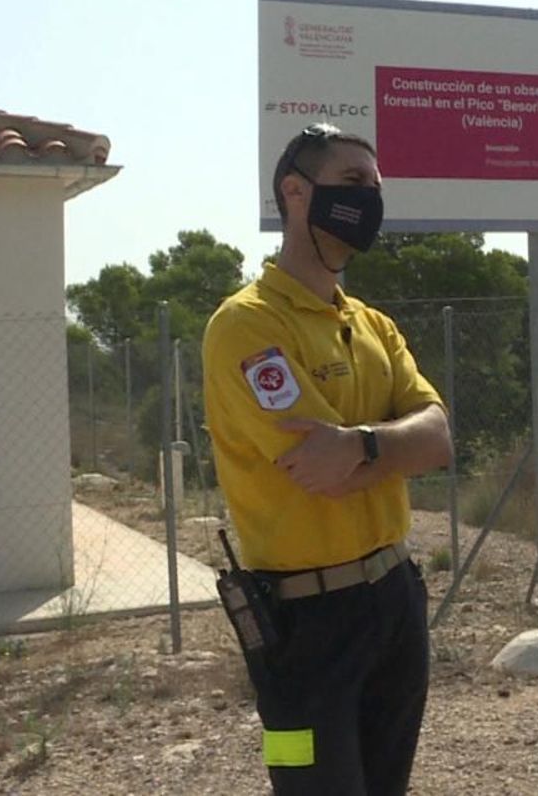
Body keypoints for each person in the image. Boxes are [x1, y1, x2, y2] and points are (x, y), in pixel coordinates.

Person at [202, 122, 452, 795]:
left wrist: (363, 444)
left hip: (396, 600)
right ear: (295, 192)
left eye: (375, 188)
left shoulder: (374, 325)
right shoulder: (245, 325)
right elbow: (322, 475)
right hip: (302, 628)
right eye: (350, 185)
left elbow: (440, 439)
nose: (368, 200)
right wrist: (383, 449)